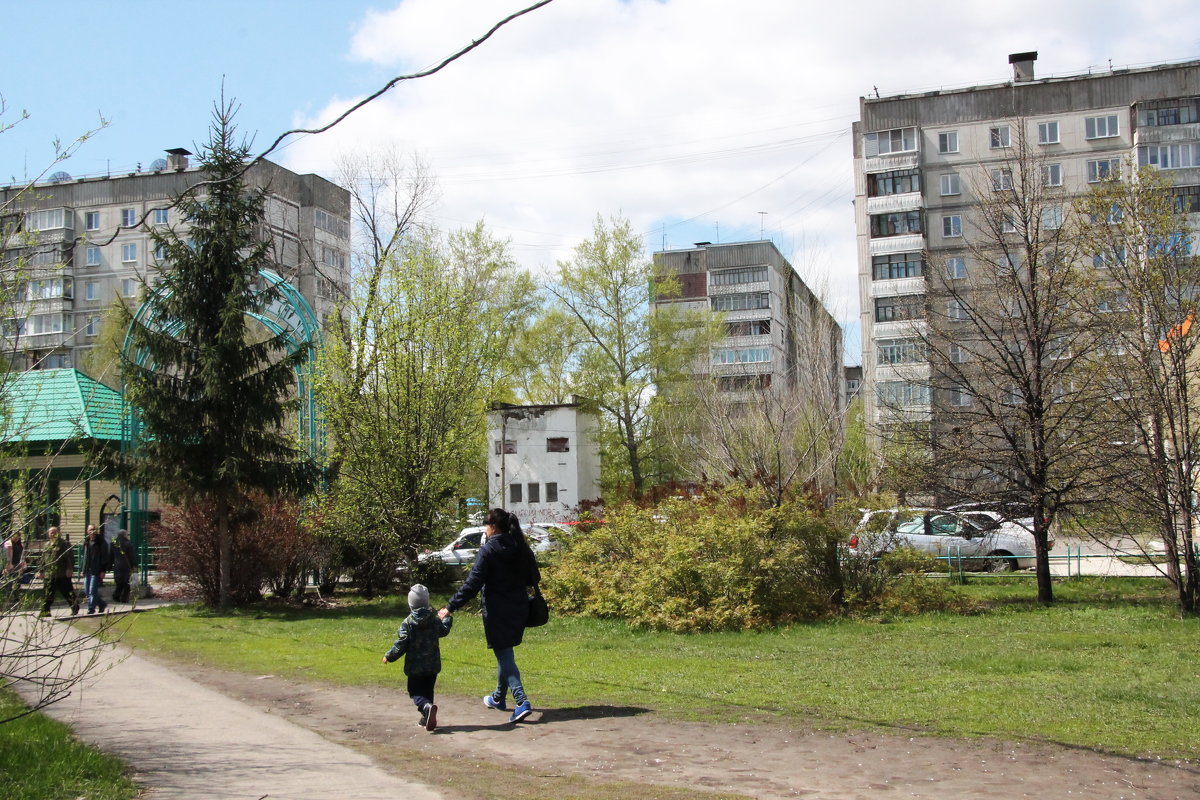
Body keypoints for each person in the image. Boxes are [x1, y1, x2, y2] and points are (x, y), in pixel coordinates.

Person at [438, 508, 540, 724]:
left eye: (486, 524)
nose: (485, 528)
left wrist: (450, 606)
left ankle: (521, 701)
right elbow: (534, 577)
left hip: (497, 609)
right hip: (519, 607)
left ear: (493, 527)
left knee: (504, 653)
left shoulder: (489, 550)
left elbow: (473, 583)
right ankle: (498, 698)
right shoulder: (520, 546)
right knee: (505, 650)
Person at [382, 583, 453, 731]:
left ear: (410, 604)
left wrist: (389, 656)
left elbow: (401, 644)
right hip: (432, 665)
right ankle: (425, 716)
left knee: (415, 692)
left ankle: (426, 709)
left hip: (415, 666)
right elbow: (443, 631)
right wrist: (447, 618)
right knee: (428, 691)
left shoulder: (408, 623)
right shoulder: (434, 620)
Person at [40, 526, 79, 617]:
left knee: (67, 592)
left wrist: (69, 569)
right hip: (49, 575)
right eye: (51, 533)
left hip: (61, 574)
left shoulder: (64, 544)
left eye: (55, 532)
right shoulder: (47, 545)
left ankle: (75, 607)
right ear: (48, 534)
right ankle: (45, 611)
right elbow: (43, 559)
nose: (53, 534)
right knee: (47, 594)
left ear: (59, 533)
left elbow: (69, 558)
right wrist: (41, 571)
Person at [81, 524, 110, 614]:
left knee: (92, 590)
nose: (92, 531)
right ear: (87, 531)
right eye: (90, 530)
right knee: (86, 590)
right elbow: (84, 557)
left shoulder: (101, 542)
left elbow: (105, 557)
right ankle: (101, 604)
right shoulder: (86, 542)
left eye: (93, 529)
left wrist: (103, 570)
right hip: (87, 570)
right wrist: (83, 569)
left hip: (96, 570)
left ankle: (91, 608)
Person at [110, 529, 138, 603]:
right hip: (127, 565)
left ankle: (116, 595)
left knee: (119, 582)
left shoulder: (113, 543)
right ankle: (124, 598)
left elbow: (110, 555)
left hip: (117, 565)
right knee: (126, 582)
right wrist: (134, 565)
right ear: (125, 535)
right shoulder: (127, 543)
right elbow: (131, 556)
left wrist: (109, 565)